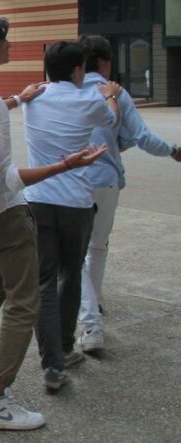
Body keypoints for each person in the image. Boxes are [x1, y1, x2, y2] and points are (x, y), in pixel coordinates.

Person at [0, 17, 105, 431]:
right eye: (4, 40)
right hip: (3, 213)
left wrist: (17, 99)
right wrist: (66, 165)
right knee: (24, 302)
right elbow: (8, 177)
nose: (10, 44)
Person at [22, 41, 119, 391]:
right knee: (71, 273)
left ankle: (52, 363)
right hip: (76, 203)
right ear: (78, 70)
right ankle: (64, 346)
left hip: (38, 199)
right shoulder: (90, 100)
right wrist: (110, 94)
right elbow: (112, 120)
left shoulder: (32, 98)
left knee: (44, 280)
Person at [76, 35, 180, 353]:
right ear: (105, 61)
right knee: (97, 247)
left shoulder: (66, 90)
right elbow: (141, 137)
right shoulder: (115, 94)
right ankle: (93, 311)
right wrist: (172, 150)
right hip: (105, 180)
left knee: (75, 255)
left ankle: (90, 319)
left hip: (71, 181)